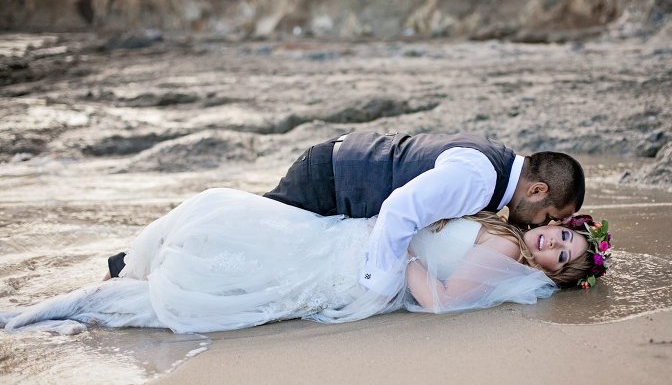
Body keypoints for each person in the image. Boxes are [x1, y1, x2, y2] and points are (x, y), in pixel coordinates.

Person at [1, 188, 612, 334]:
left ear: (552, 273)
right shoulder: (504, 224)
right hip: (350, 238)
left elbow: (441, 300)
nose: (552, 244)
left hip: (356, 264)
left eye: (562, 255)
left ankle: (44, 312)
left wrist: (399, 255)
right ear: (557, 222)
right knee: (230, 235)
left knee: (228, 241)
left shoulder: (506, 252)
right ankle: (53, 310)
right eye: (563, 236)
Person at [104, 132, 587, 298]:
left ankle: (131, 263)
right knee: (247, 233)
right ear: (538, 188)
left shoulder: (493, 162)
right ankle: (127, 268)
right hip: (334, 177)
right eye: (546, 213)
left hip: (343, 167)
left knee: (250, 232)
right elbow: (399, 209)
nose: (539, 225)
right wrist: (379, 278)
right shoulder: (479, 178)